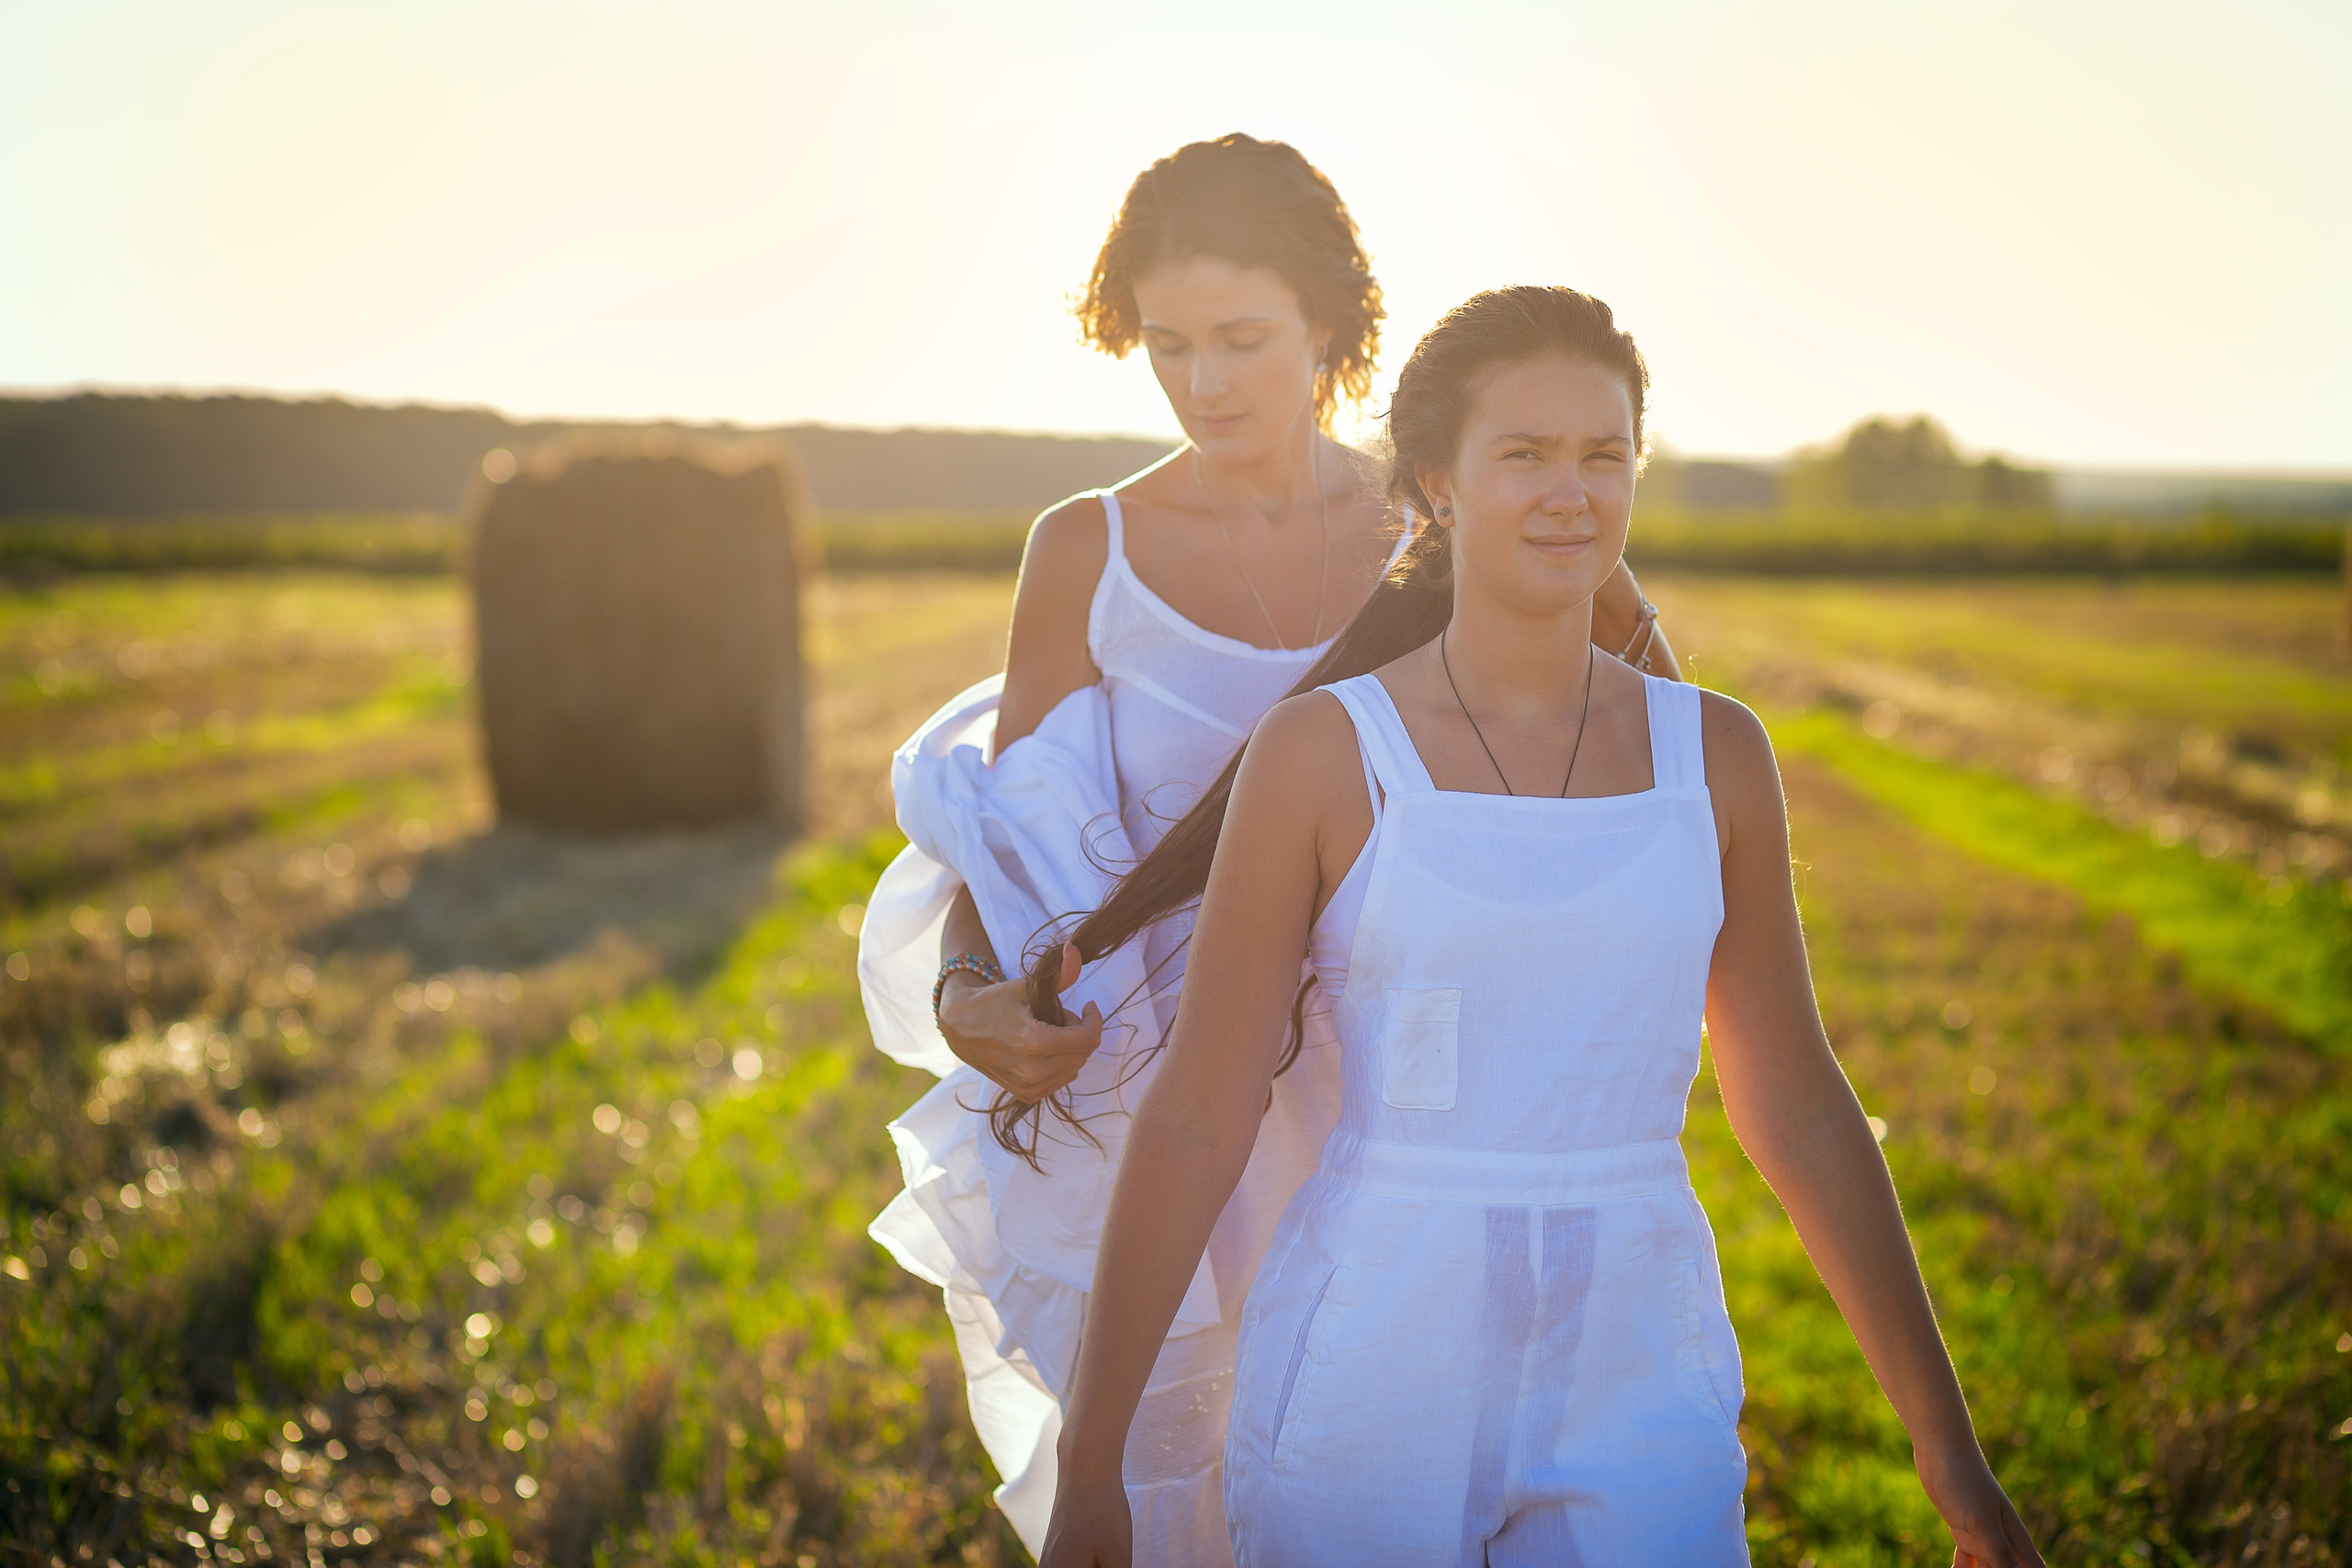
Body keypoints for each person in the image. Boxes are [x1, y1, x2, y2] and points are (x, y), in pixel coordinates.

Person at [1033, 287, 2045, 1566]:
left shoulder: (1715, 753)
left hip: (1637, 1354)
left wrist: (1945, 1442)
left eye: (1602, 455)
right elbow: (1200, 1106)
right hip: (1369, 1362)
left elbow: (1793, 1101)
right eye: (1525, 455)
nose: (1572, 493)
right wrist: (1093, 1467)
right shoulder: (1325, 753)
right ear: (1435, 486)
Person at [856, 141, 1680, 1561]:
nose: (1203, 383)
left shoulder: (1453, 510)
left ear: (1330, 325)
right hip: (1186, 1114)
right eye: (1167, 346)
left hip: (1422, 1106)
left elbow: (1653, 755)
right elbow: (1011, 850)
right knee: (1215, 1503)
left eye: (1241, 339)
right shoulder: (1085, 552)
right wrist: (965, 1000)